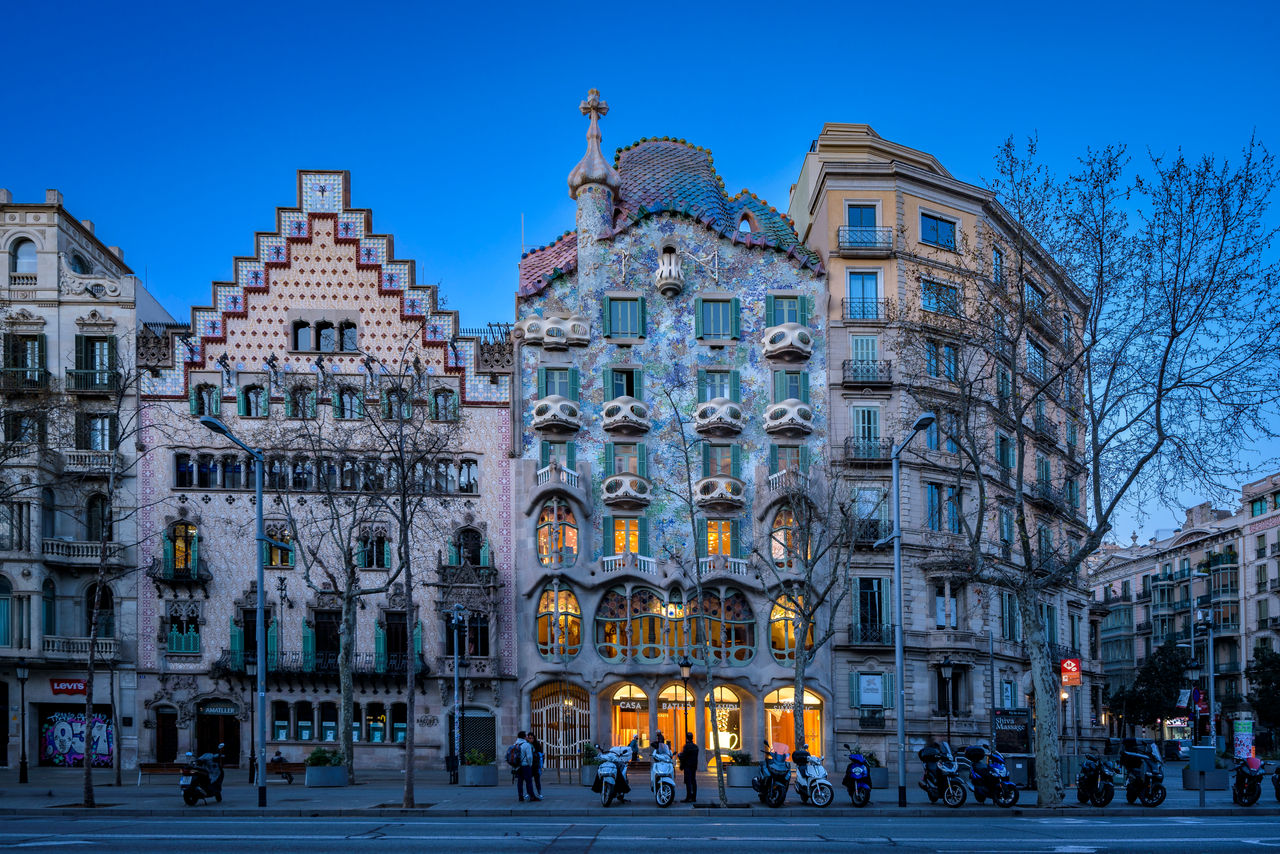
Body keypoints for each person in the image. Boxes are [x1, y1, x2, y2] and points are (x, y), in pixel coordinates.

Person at [513, 731, 539, 802]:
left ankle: (520, 796)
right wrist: (530, 764)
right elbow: (529, 757)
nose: (527, 737)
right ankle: (532, 796)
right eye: (526, 736)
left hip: (518, 766)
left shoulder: (515, 744)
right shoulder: (526, 745)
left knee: (520, 782)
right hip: (525, 766)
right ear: (524, 737)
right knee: (529, 782)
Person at [678, 732, 699, 802]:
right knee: (693, 781)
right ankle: (694, 797)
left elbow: (683, 756)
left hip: (687, 766)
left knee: (688, 782)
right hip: (694, 766)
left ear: (687, 738)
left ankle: (688, 797)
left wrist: (679, 756)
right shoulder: (696, 747)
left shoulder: (686, 747)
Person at [528, 732, 545, 798]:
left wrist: (541, 765)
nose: (531, 740)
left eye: (532, 738)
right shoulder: (527, 745)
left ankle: (539, 792)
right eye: (530, 738)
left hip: (536, 765)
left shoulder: (537, 745)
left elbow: (541, 755)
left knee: (537, 780)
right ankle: (529, 793)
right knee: (529, 780)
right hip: (529, 765)